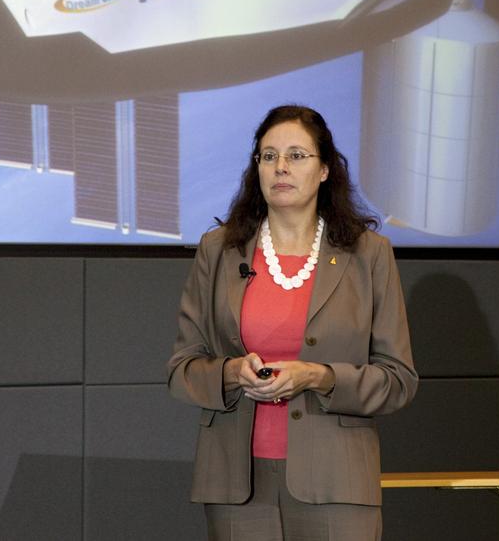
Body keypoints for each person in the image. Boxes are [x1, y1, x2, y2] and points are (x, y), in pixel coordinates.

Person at [167, 104, 417, 540]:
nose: (280, 167)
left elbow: (398, 380)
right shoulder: (218, 250)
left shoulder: (369, 254)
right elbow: (181, 369)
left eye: (296, 155)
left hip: (337, 483)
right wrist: (231, 372)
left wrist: (319, 377)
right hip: (235, 486)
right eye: (269, 156)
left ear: (325, 170)